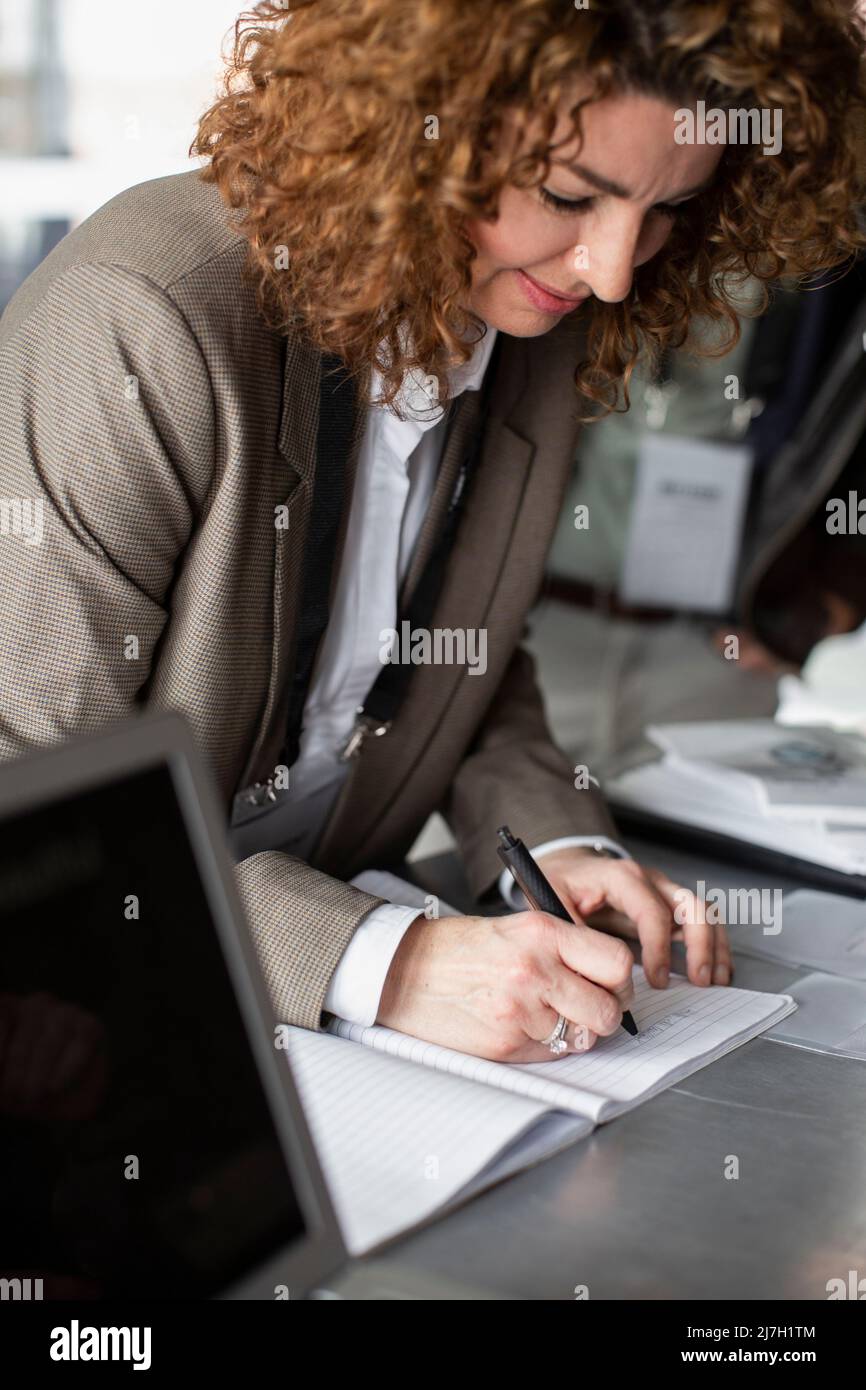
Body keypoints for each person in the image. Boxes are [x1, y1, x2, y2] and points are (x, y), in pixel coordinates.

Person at [1, 0, 863, 1063]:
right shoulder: (138, 321)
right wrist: (387, 962)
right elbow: (38, 827)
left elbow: (454, 653)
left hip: (304, 1031)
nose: (611, 271)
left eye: (668, 211)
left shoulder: (527, 318)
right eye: (564, 196)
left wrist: (558, 838)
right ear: (421, 123)